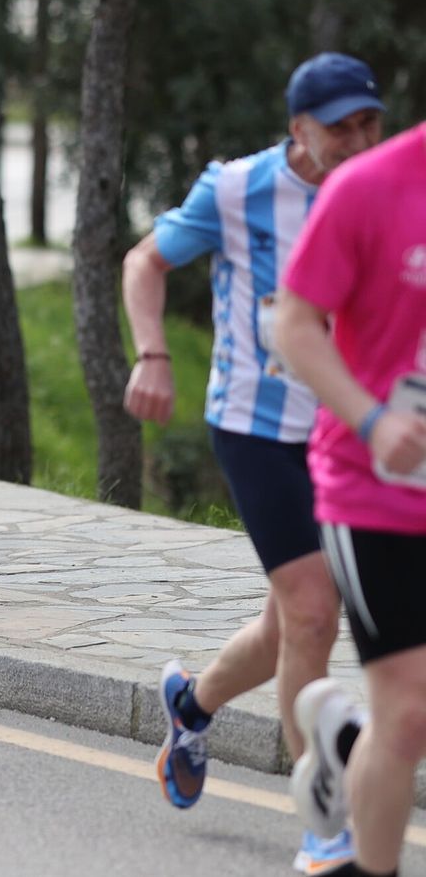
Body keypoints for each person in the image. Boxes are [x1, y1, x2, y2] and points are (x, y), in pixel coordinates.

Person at [124, 53, 384, 875]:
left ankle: (192, 704)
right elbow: (144, 262)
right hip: (255, 425)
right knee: (313, 612)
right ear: (297, 128)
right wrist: (153, 354)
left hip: (346, 429)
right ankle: (324, 819)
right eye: (338, 126)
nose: (356, 139)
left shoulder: (382, 190)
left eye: (368, 123)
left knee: (288, 622)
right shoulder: (238, 189)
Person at [276, 111, 426, 877]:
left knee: (408, 716)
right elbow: (294, 325)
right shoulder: (372, 187)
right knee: (409, 711)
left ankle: (344, 747)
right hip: (375, 494)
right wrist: (371, 422)